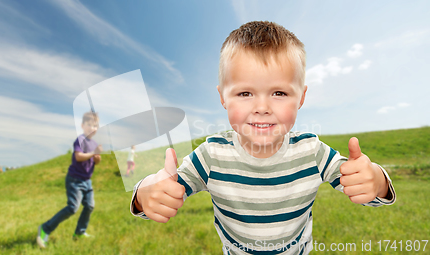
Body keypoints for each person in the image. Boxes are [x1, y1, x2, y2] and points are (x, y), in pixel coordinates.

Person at [130, 21, 396, 255]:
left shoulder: (312, 151)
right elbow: (166, 190)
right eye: (245, 93)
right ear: (223, 96)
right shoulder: (211, 156)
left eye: (279, 93)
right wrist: (146, 193)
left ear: (301, 97)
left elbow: (364, 187)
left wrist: (376, 180)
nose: (262, 107)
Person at [37, 111, 102, 248]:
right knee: (73, 208)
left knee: (90, 206)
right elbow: (79, 157)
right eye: (89, 124)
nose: (92, 128)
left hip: (87, 181)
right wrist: (92, 153)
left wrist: (97, 157)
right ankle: (45, 228)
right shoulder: (80, 140)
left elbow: (96, 161)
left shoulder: (94, 143)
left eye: (95, 125)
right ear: (82, 125)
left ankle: (80, 232)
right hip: (75, 180)